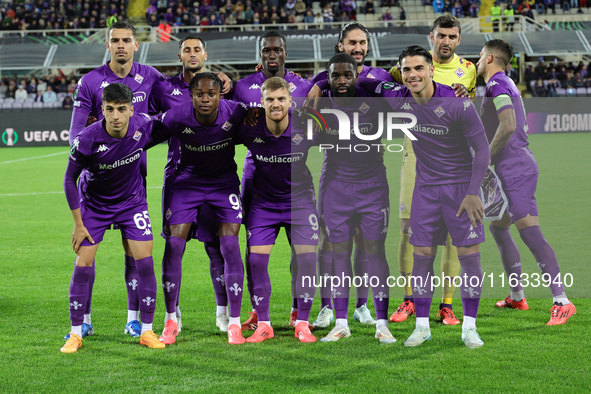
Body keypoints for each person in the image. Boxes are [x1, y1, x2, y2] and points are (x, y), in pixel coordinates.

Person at [377, 45, 489, 348]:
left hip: (459, 189)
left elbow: (482, 149)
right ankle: (423, 326)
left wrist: (472, 193)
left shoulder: (457, 104)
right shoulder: (399, 98)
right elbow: (365, 78)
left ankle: (469, 327)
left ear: (430, 70)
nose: (413, 75)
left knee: (469, 257)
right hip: (425, 190)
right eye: (407, 69)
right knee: (422, 257)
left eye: (419, 68)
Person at [67, 21, 164, 341]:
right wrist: (96, 142)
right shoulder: (90, 82)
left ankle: (135, 320)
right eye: (115, 40)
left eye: (127, 40)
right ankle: (85, 321)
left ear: (136, 45)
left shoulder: (150, 76)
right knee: (87, 254)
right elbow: (75, 133)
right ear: (107, 45)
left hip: (134, 178)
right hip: (97, 183)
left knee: (133, 253)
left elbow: (175, 106)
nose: (121, 45)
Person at [476, 39, 576, 325]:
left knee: (530, 232)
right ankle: (517, 296)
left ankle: (562, 300)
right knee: (499, 228)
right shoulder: (502, 83)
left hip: (515, 167)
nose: (478, 61)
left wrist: (484, 158)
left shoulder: (496, 84)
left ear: (492, 58)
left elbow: (508, 126)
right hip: (510, 166)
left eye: (482, 56)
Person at [388, 15, 476, 326]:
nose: (446, 41)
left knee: (454, 235)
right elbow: (378, 82)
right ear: (431, 37)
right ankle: (409, 299)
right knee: (408, 229)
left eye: (452, 36)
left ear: (458, 40)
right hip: (414, 156)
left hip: (454, 163)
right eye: (441, 35)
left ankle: (447, 305)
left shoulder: (469, 71)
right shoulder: (408, 68)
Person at [153, 73, 249, 345]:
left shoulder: (237, 112)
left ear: (221, 95)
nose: (205, 99)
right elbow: (145, 135)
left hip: (223, 185)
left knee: (229, 247)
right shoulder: (176, 116)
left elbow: (262, 117)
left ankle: (234, 322)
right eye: (199, 94)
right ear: (191, 95)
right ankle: (171, 319)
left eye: (211, 94)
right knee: (174, 246)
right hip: (187, 185)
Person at [149, 34, 233, 338]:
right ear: (179, 55)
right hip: (178, 177)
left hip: (215, 177)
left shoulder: (221, 87)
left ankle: (223, 313)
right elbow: (147, 122)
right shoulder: (163, 88)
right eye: (187, 49)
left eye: (197, 49)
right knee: (175, 245)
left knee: (216, 248)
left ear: (205, 54)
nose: (193, 53)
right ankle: (173, 314)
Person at [310, 22, 393, 331]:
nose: (357, 47)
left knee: (364, 239)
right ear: (340, 46)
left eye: (362, 42)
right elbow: (308, 112)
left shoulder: (381, 78)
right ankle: (326, 307)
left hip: (370, 173)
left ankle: (361, 306)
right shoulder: (324, 80)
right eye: (351, 42)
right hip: (335, 171)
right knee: (330, 240)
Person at [231, 30, 313, 331]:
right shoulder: (240, 87)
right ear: (260, 54)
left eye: (277, 49)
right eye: (266, 50)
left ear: (285, 53)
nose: (271, 54)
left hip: (294, 174)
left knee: (300, 247)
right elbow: (227, 117)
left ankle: (297, 310)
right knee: (254, 248)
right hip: (257, 174)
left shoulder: (304, 85)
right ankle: (257, 311)